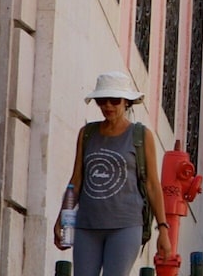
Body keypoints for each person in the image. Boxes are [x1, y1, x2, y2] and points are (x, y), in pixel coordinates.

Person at [55, 72, 172, 276]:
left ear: (126, 102)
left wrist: (163, 229)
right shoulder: (87, 133)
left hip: (125, 225)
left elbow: (153, 185)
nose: (108, 106)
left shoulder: (141, 136)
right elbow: (76, 180)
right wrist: (62, 219)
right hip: (87, 225)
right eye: (102, 100)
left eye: (114, 100)